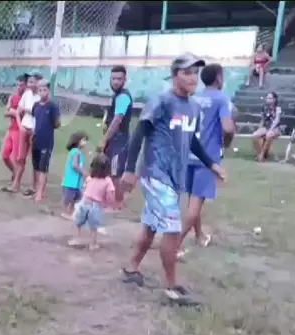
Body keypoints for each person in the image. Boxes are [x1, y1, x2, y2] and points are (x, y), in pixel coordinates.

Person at [119, 54, 226, 307]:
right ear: (175, 74)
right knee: (173, 228)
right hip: (155, 173)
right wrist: (129, 170)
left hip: (174, 177)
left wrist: (212, 164)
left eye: (195, 73)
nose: (193, 78)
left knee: (151, 225)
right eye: (187, 72)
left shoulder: (194, 107)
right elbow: (139, 134)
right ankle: (172, 287)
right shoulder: (162, 101)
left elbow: (193, 141)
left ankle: (131, 268)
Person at [178, 64, 236, 259]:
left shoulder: (194, 97)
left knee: (193, 198)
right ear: (219, 78)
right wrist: (227, 141)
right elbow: (227, 128)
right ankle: (174, 245)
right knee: (195, 205)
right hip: (207, 157)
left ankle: (199, 235)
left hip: (189, 153)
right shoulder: (221, 98)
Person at [101, 65, 134, 209]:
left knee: (116, 173)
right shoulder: (117, 96)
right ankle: (114, 201)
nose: (115, 82)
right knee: (111, 171)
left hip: (119, 140)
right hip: (114, 139)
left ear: (125, 80)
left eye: (119, 79)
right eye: (113, 78)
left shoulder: (123, 96)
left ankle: (118, 203)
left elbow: (117, 120)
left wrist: (104, 140)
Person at [69, 153, 116, 250]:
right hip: (96, 206)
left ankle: (76, 239)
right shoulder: (107, 180)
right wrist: (109, 204)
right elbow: (110, 195)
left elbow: (85, 189)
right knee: (93, 227)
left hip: (84, 203)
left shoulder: (90, 177)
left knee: (78, 223)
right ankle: (93, 244)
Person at [30, 80, 61, 203]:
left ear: (48, 91)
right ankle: (37, 190)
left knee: (43, 167)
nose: (42, 92)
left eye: (44, 90)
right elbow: (35, 121)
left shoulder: (53, 106)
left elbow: (57, 123)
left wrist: (56, 122)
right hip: (36, 140)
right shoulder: (36, 106)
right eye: (40, 90)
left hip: (47, 141)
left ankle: (40, 193)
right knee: (36, 167)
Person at [15, 71, 44, 196]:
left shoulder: (41, 96)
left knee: (35, 160)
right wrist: (20, 125)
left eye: (32, 81)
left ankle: (35, 186)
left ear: (38, 82)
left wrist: (28, 110)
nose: (30, 84)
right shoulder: (26, 94)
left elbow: (38, 112)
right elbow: (18, 111)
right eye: (29, 82)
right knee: (20, 158)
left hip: (35, 130)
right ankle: (16, 184)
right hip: (24, 128)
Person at [1, 73, 29, 192]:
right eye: (17, 85)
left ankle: (16, 184)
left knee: (18, 158)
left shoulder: (28, 99)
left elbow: (25, 113)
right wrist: (14, 112)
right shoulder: (12, 97)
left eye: (21, 85)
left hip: (20, 130)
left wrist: (14, 111)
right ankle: (14, 174)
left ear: (26, 86)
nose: (19, 87)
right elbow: (6, 112)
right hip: (11, 129)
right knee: (5, 155)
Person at [61, 131, 89, 219]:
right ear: (77, 141)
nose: (85, 142)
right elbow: (75, 165)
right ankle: (65, 212)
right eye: (84, 140)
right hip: (71, 181)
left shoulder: (79, 153)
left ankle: (71, 212)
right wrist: (83, 172)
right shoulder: (76, 152)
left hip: (76, 182)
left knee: (75, 198)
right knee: (69, 198)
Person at [252, 92, 282, 162]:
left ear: (274, 99)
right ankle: (259, 154)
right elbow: (262, 119)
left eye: (270, 98)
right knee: (254, 135)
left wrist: (271, 129)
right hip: (266, 127)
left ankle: (262, 155)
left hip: (275, 128)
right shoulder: (264, 107)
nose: (268, 99)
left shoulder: (278, 108)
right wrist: (259, 128)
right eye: (267, 98)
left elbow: (277, 120)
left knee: (268, 135)